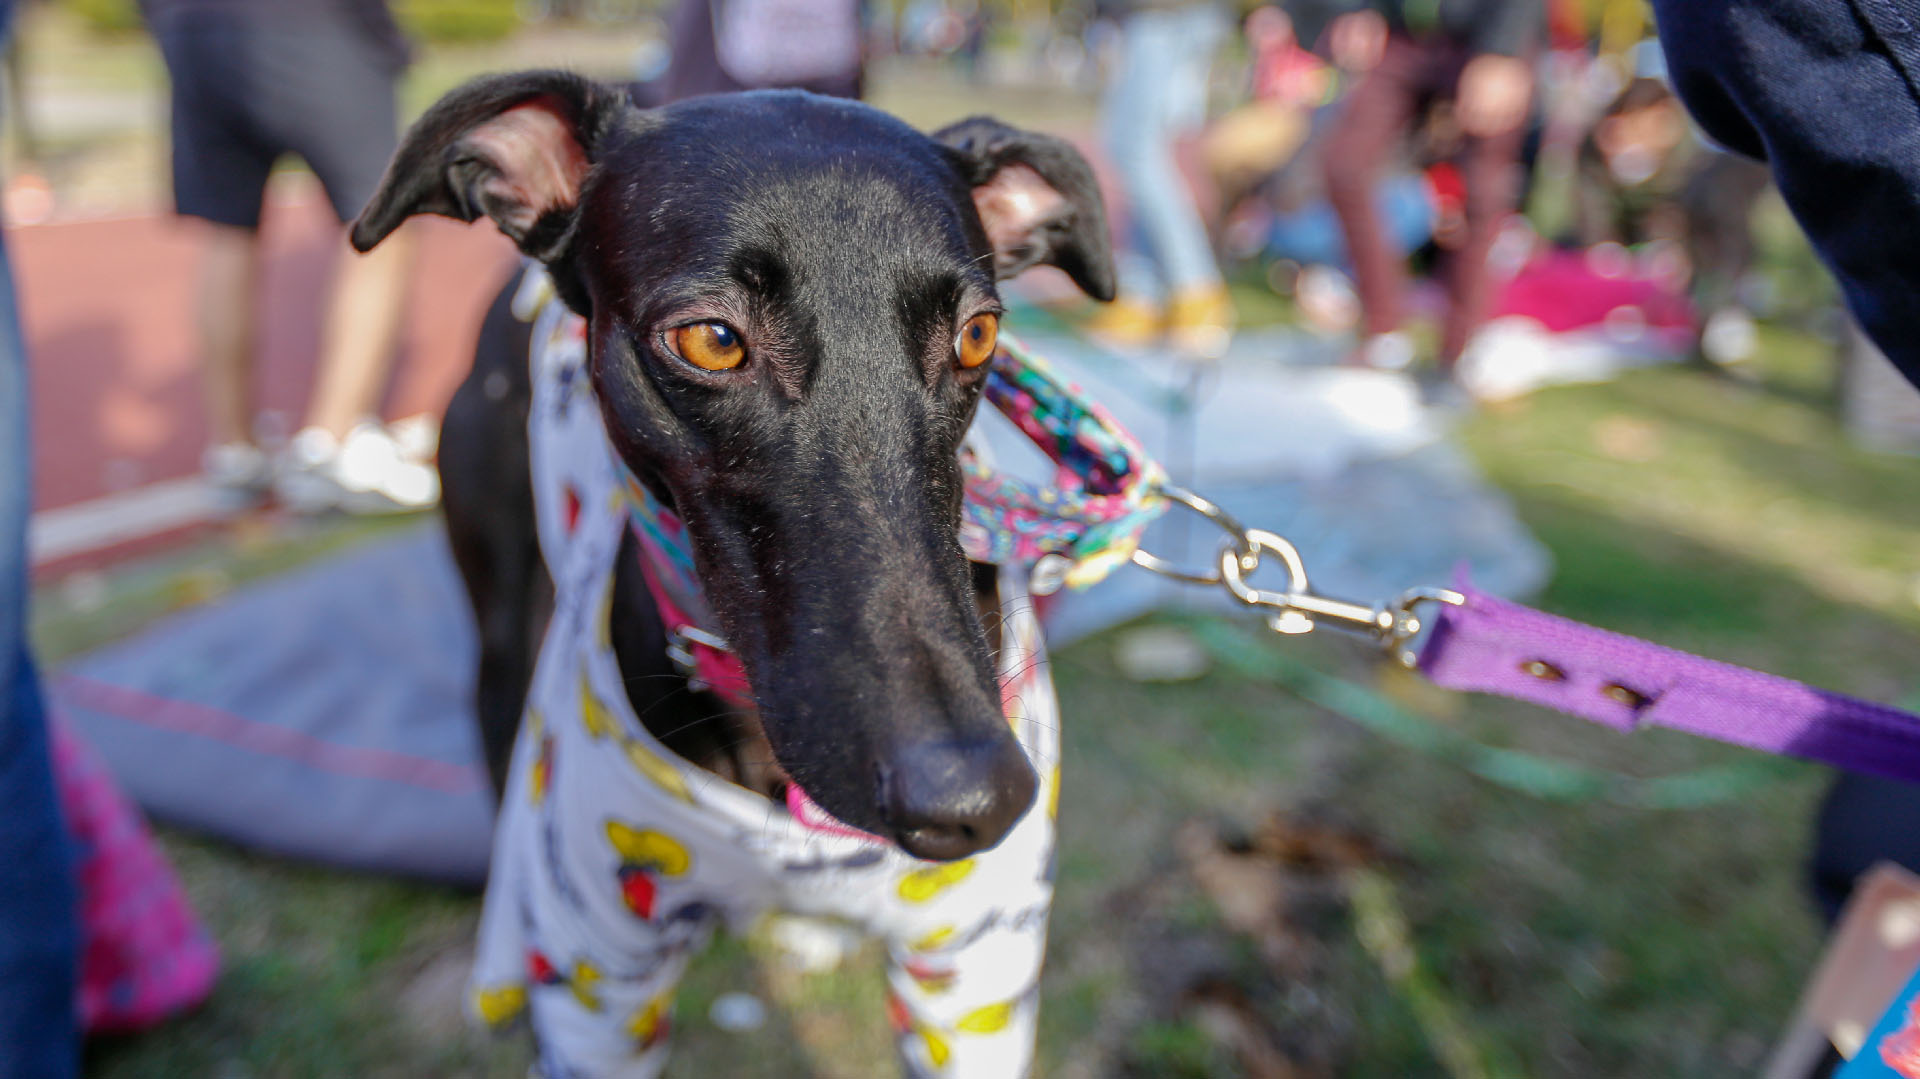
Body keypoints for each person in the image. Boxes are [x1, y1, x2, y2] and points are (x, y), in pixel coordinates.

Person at [141, 0, 438, 514]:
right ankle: (332, 445)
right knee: (382, 219)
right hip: (307, 20)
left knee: (228, 229)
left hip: (189, 24)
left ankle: (235, 453)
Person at [1320, 0, 1543, 378]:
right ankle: (1384, 330)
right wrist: (1359, 9)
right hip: (1406, 28)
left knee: (1481, 191)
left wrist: (1503, 51)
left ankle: (1457, 351)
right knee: (1345, 164)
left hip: (1482, 34)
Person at [1083, 0, 1236, 356]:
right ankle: (1143, 297)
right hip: (1161, 17)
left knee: (1136, 150)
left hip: (1168, 16)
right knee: (1134, 149)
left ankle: (1196, 289)